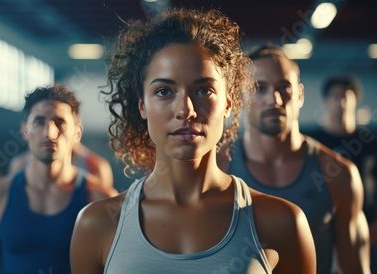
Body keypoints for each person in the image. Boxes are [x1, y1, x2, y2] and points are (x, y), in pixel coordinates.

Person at [70, 8, 316, 274]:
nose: (185, 110)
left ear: (228, 103)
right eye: (164, 91)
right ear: (142, 106)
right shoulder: (96, 225)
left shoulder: (280, 221)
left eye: (203, 90)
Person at [222, 44, 371, 274]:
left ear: (299, 95)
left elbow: (355, 269)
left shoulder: (339, 174)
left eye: (284, 88)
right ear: (239, 97)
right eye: (259, 88)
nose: (275, 100)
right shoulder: (217, 166)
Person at [0, 84, 118, 274]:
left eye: (59, 122)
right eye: (39, 122)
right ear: (24, 131)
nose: (50, 133)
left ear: (77, 133)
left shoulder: (102, 199)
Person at [309, 75, 377, 274]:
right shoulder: (312, 143)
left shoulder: (374, 142)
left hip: (366, 229)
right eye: (335, 96)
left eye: (346, 97)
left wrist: (376, 228)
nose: (341, 102)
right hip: (323, 232)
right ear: (325, 101)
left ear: (355, 101)